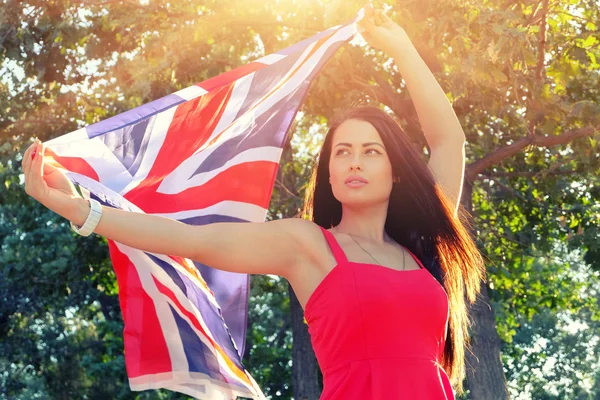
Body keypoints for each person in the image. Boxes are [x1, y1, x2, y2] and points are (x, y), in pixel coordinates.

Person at [22, 5, 485, 399]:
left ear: (396, 170)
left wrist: (402, 48)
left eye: (371, 152)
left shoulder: (421, 244)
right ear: (328, 172)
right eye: (342, 152)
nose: (354, 163)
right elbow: (189, 239)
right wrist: (83, 210)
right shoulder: (308, 245)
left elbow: (449, 142)